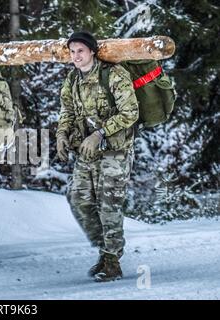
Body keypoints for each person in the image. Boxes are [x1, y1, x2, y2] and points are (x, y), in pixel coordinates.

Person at [56, 31, 139, 282]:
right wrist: (61, 134)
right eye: (72, 52)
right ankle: (106, 249)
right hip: (87, 151)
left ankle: (112, 261)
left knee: (108, 204)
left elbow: (131, 112)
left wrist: (100, 133)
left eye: (80, 50)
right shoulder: (72, 80)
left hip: (116, 151)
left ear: (92, 51)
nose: (76, 56)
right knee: (78, 199)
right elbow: (67, 111)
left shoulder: (113, 75)